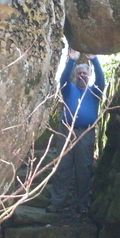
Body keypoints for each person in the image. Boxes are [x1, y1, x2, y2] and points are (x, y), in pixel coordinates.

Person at [46, 48, 105, 214]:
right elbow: (63, 79)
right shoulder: (69, 89)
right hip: (66, 131)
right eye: (79, 73)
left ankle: (81, 203)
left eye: (85, 73)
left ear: (89, 75)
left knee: (83, 169)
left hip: (85, 134)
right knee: (63, 167)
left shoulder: (95, 91)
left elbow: (101, 79)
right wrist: (72, 60)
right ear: (74, 76)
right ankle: (57, 202)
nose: (82, 76)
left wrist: (94, 60)